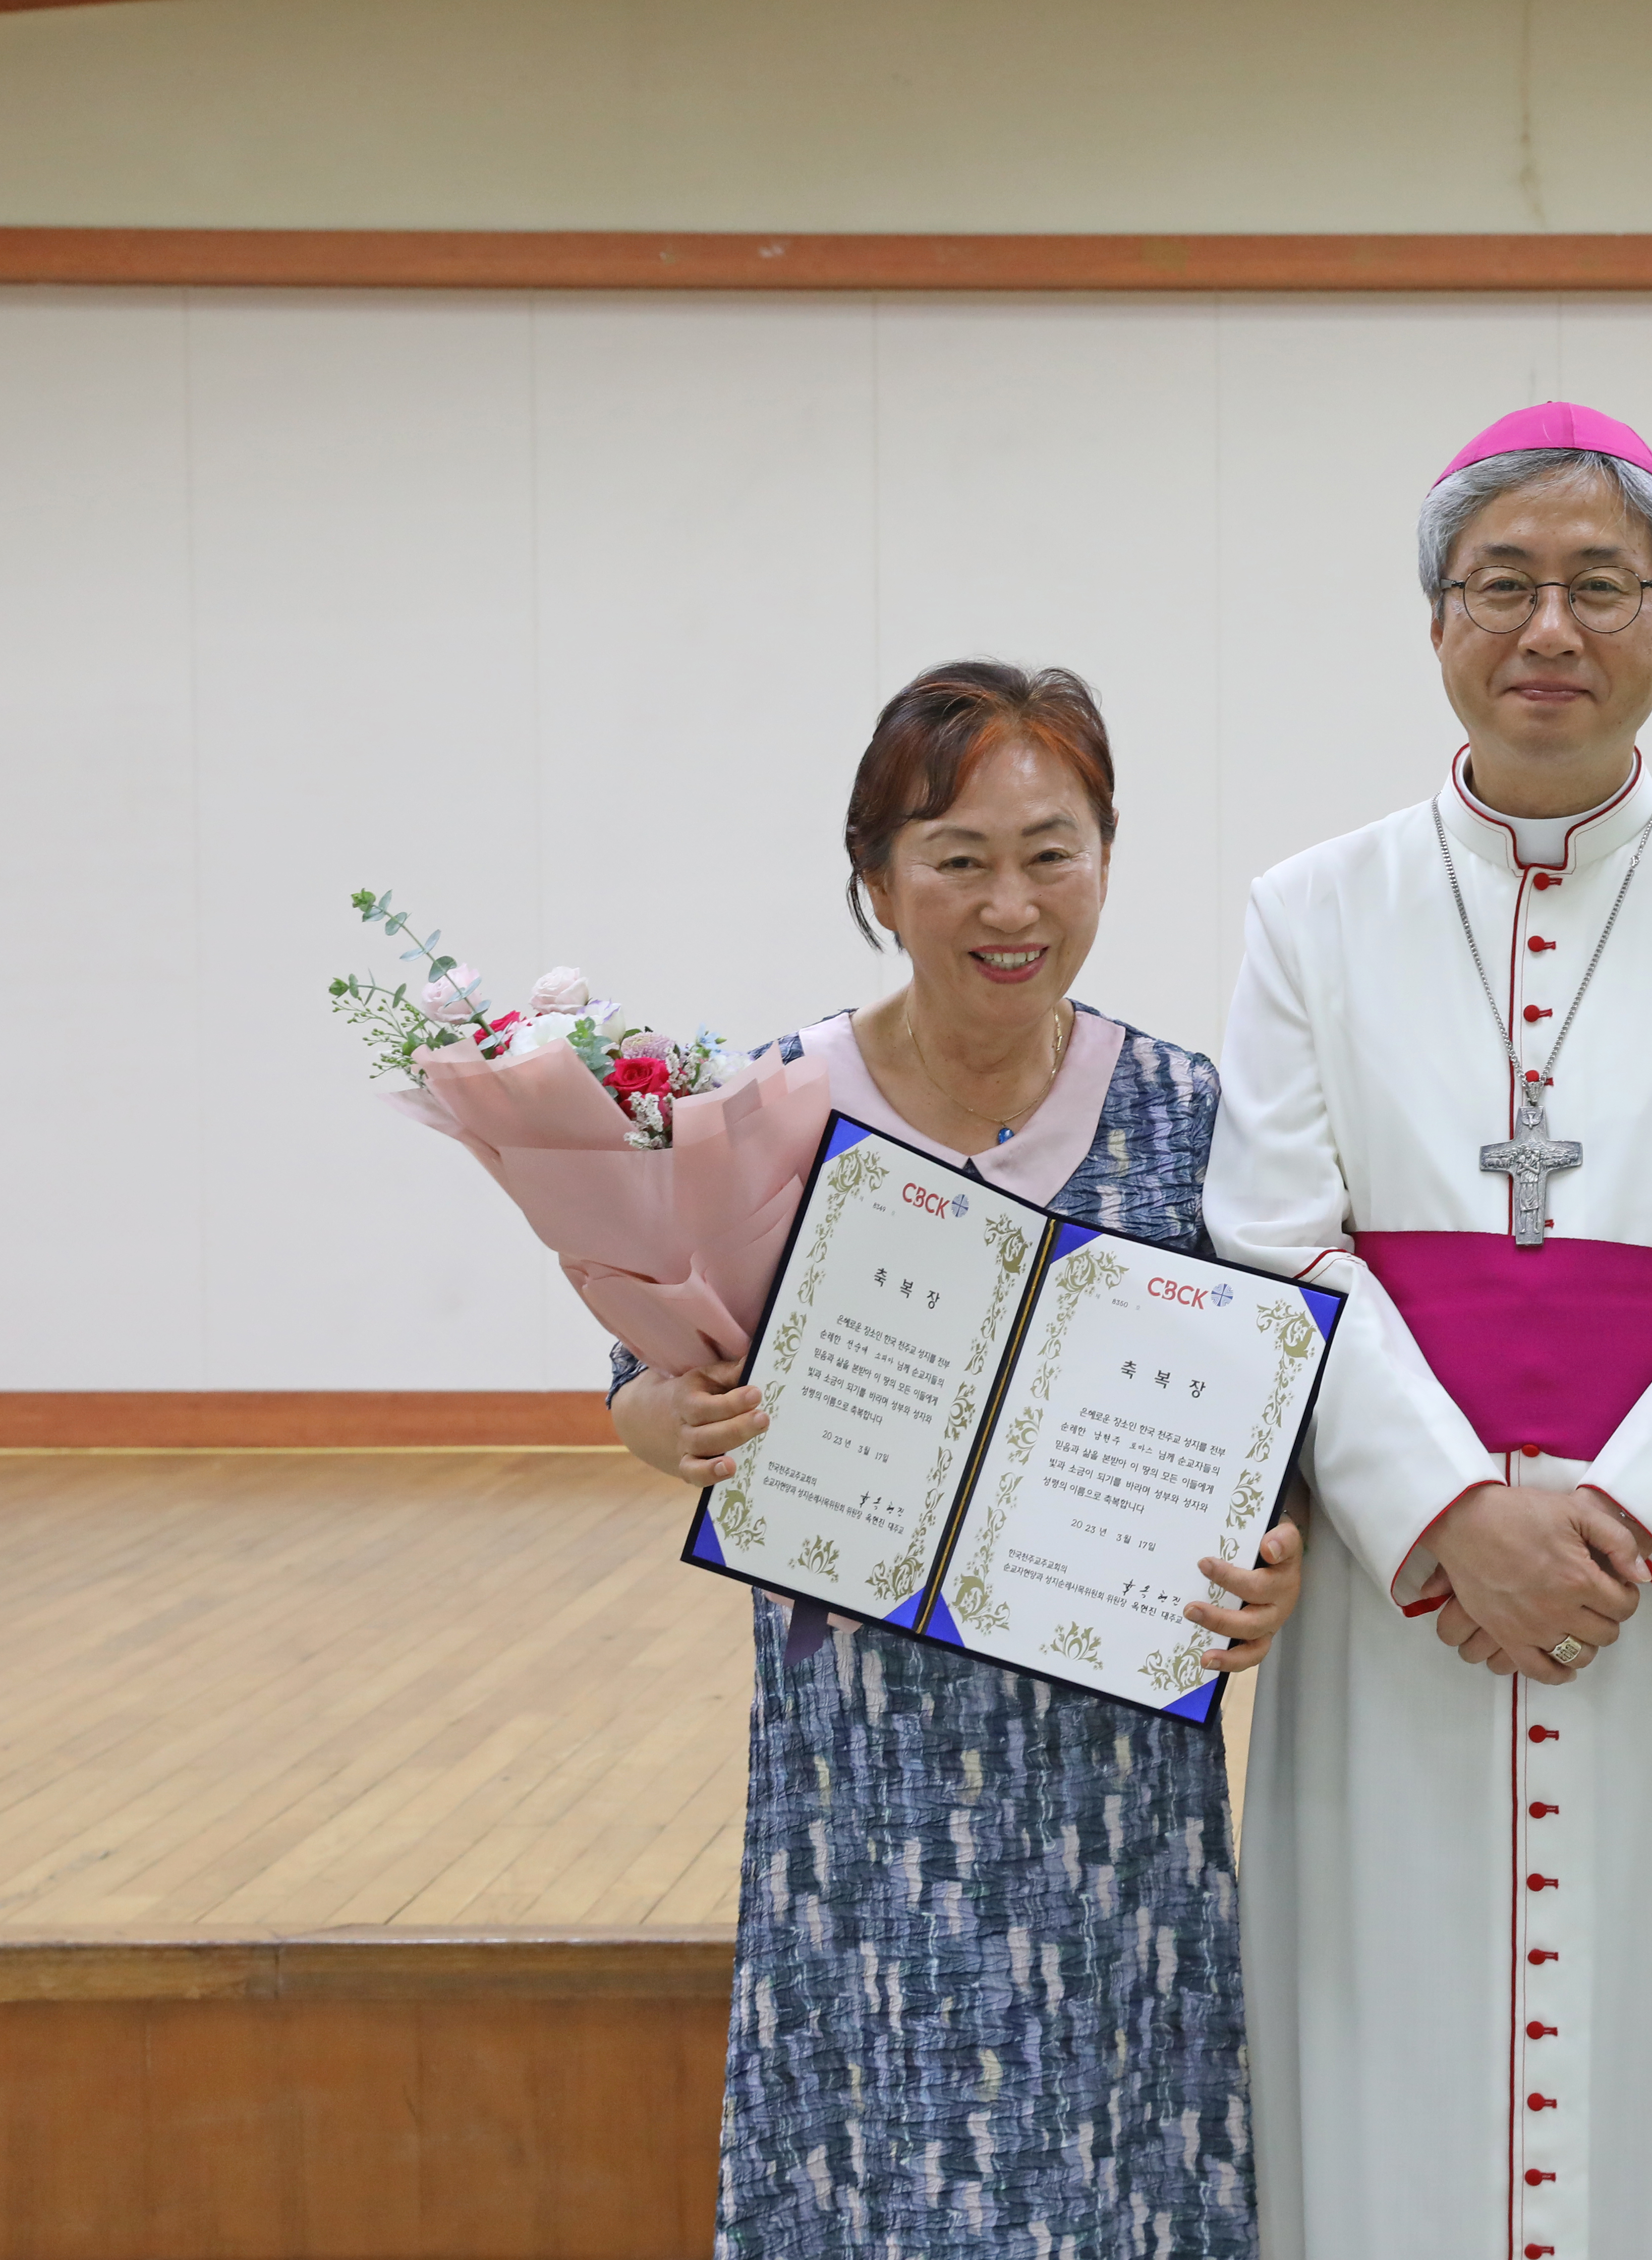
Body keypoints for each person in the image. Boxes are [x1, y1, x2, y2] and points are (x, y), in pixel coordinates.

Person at [1203, 404, 1652, 2260]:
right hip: (1406, 1600)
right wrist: (1450, 1512)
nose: (1550, 630)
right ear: (1436, 619)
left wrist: (1618, 1529)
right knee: (1391, 2054)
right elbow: (1272, 1242)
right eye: (1502, 584)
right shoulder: (1311, 911)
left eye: (1603, 586)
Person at [606, 660, 1301, 2259]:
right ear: (876, 880)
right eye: (957, 856)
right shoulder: (767, 1114)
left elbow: (1277, 1422)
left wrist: (1283, 1559)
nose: (1012, 902)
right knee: (875, 2151)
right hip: (867, 1765)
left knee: (1120, 2149)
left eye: (1053, 852)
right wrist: (666, 1424)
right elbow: (644, 1379)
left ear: (1108, 865)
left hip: (1112, 1768)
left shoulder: (1191, 1115)